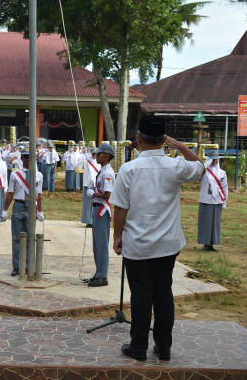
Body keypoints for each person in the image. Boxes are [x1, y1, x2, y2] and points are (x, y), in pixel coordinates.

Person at [110, 115, 204, 362]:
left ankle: (138, 346)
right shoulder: (176, 166)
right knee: (163, 294)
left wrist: (117, 235)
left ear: (138, 139)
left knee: (141, 296)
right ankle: (164, 348)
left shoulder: (128, 169)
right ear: (164, 140)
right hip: (167, 244)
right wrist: (182, 147)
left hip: (138, 244)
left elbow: (120, 208)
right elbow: (201, 168)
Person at [1, 149, 44, 276]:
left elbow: (39, 195)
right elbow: (10, 194)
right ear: (22, 158)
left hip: (31, 207)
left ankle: (28, 265)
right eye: (25, 157)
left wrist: (40, 211)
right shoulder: (15, 175)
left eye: (29, 157)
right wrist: (5, 210)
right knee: (17, 238)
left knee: (30, 238)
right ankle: (17, 266)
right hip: (18, 206)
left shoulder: (39, 175)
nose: (27, 160)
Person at [85, 143, 115, 287]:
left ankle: (102, 276)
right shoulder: (102, 171)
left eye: (99, 154)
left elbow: (107, 195)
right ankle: (99, 273)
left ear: (107, 156)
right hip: (97, 209)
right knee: (97, 245)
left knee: (101, 245)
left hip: (102, 210)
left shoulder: (108, 173)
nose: (96, 156)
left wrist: (93, 193)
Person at [197, 150, 228, 252]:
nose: (214, 161)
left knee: (215, 224)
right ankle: (206, 243)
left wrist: (224, 202)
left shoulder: (222, 173)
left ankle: (213, 244)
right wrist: (205, 164)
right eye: (212, 159)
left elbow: (225, 187)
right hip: (206, 200)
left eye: (216, 159)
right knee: (205, 223)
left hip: (217, 201)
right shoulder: (203, 171)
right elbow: (196, 174)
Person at [81, 148, 100, 227]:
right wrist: (82, 159)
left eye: (96, 154)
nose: (94, 155)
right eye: (93, 154)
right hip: (88, 184)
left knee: (96, 203)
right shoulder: (86, 160)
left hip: (96, 184)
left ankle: (94, 221)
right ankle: (88, 221)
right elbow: (77, 166)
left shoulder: (99, 162)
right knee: (88, 204)